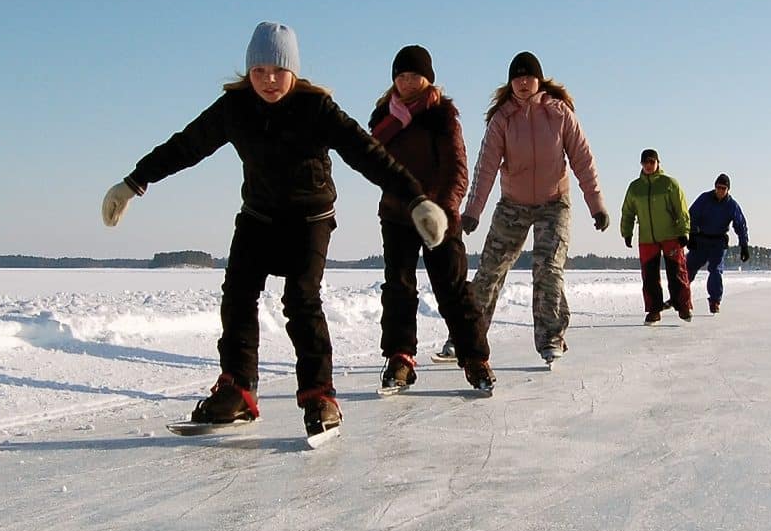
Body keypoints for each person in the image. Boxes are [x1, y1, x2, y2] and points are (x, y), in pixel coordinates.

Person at [101, 22, 448, 438]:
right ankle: (237, 390)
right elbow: (186, 145)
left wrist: (415, 199)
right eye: (259, 70)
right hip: (259, 216)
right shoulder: (234, 107)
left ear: (294, 72)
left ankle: (320, 396)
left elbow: (368, 154)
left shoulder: (316, 109)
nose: (268, 79)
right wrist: (134, 182)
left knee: (301, 300)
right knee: (238, 294)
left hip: (311, 218)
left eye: (278, 70)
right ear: (248, 71)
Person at [458, 51, 610, 364]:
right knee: (489, 269)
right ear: (510, 82)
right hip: (513, 204)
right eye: (517, 77)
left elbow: (583, 160)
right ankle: (466, 335)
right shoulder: (502, 118)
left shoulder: (560, 114)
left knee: (548, 269)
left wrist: (596, 205)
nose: (523, 83)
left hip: (554, 204)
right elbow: (485, 167)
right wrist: (473, 210)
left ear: (539, 80)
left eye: (529, 77)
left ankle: (551, 337)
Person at [367, 45, 495, 395]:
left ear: (428, 79)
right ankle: (399, 358)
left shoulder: (441, 115)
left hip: (439, 215)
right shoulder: (383, 118)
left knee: (452, 287)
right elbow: (374, 165)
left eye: (414, 75)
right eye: (401, 75)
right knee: (398, 286)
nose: (407, 82)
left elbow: (457, 168)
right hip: (396, 214)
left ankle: (474, 358)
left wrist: (441, 207)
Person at [619, 148, 692, 324]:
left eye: (652, 162)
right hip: (647, 239)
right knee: (649, 277)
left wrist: (684, 232)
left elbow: (681, 210)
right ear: (641, 164)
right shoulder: (635, 188)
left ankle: (683, 306)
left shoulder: (669, 184)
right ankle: (654, 310)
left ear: (658, 162)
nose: (649, 166)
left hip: (670, 236)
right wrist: (626, 232)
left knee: (677, 272)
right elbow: (628, 212)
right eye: (645, 163)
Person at [686, 173, 750, 314]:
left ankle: (715, 300)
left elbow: (740, 225)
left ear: (728, 189)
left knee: (715, 270)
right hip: (701, 240)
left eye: (723, 188)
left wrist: (744, 245)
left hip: (718, 242)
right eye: (718, 187)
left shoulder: (732, 205)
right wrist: (690, 235)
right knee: (687, 268)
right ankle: (682, 297)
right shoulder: (704, 199)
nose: (720, 191)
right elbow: (691, 216)